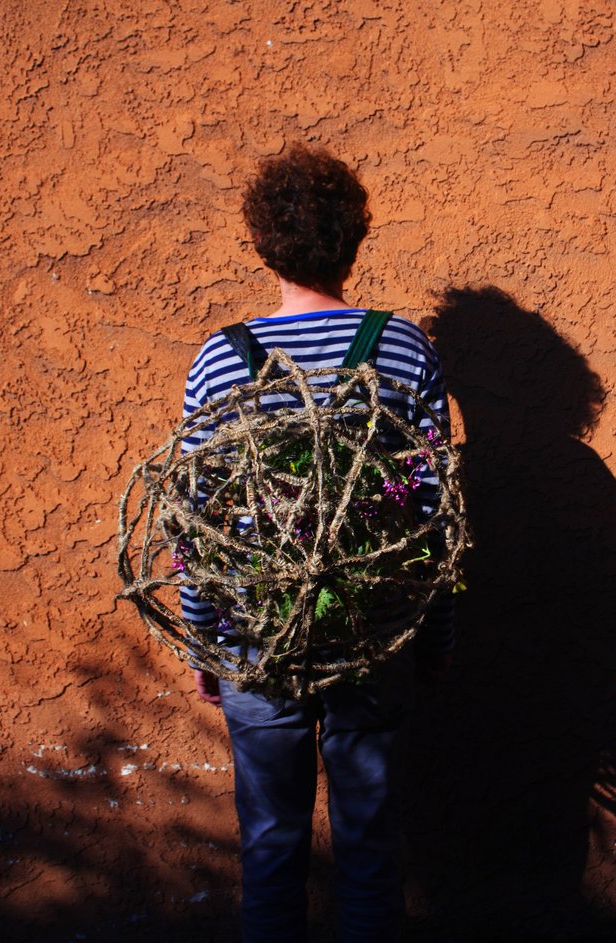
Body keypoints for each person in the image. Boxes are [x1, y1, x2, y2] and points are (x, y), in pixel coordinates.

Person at [180, 144, 453, 943]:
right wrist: (431, 637)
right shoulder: (404, 349)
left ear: (264, 242)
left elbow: (199, 516)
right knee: (370, 847)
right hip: (375, 633)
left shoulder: (219, 359)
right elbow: (431, 515)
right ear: (354, 239)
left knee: (270, 845)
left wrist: (206, 641)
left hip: (255, 637)